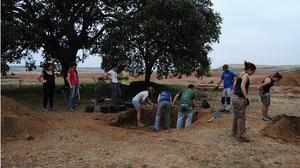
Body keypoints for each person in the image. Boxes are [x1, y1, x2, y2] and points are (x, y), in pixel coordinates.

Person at [231, 61, 256, 142]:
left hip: (234, 97)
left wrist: (234, 93)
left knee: (236, 116)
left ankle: (234, 132)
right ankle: (241, 136)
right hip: (240, 99)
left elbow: (234, 85)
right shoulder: (245, 75)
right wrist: (246, 98)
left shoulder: (240, 74)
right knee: (241, 117)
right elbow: (242, 86)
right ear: (249, 69)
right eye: (253, 71)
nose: (253, 73)